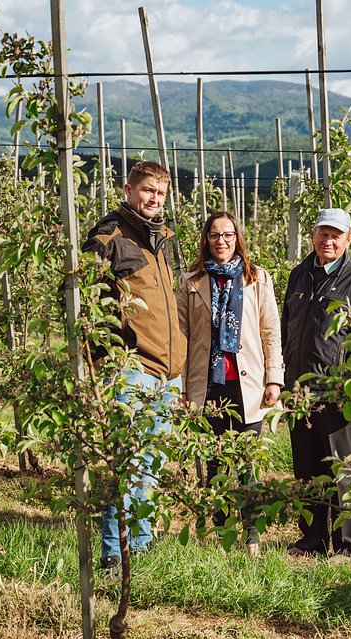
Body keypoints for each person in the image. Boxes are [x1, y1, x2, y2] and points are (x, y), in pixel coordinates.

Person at [82, 161, 187, 573]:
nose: (154, 199)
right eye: (147, 191)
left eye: (160, 194)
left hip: (166, 372)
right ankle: (114, 551)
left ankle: (141, 544)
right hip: (131, 368)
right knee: (125, 464)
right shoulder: (109, 238)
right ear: (128, 190)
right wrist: (102, 362)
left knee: (151, 463)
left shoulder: (159, 239)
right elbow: (84, 305)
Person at [176, 211, 283, 557]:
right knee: (215, 464)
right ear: (205, 240)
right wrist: (180, 388)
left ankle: (252, 536)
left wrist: (274, 378)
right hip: (208, 385)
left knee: (248, 462)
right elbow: (181, 336)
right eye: (214, 235)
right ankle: (222, 534)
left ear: (237, 238)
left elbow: (270, 332)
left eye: (227, 235)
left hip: (246, 385)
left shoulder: (257, 279)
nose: (221, 241)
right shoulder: (190, 282)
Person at [281, 207, 351, 558]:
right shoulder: (299, 275)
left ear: (348, 239)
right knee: (307, 469)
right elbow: (287, 329)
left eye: (335, 235)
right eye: (322, 233)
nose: (327, 241)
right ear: (313, 235)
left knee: (343, 469)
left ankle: (348, 545)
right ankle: (312, 540)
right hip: (300, 391)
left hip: (339, 393)